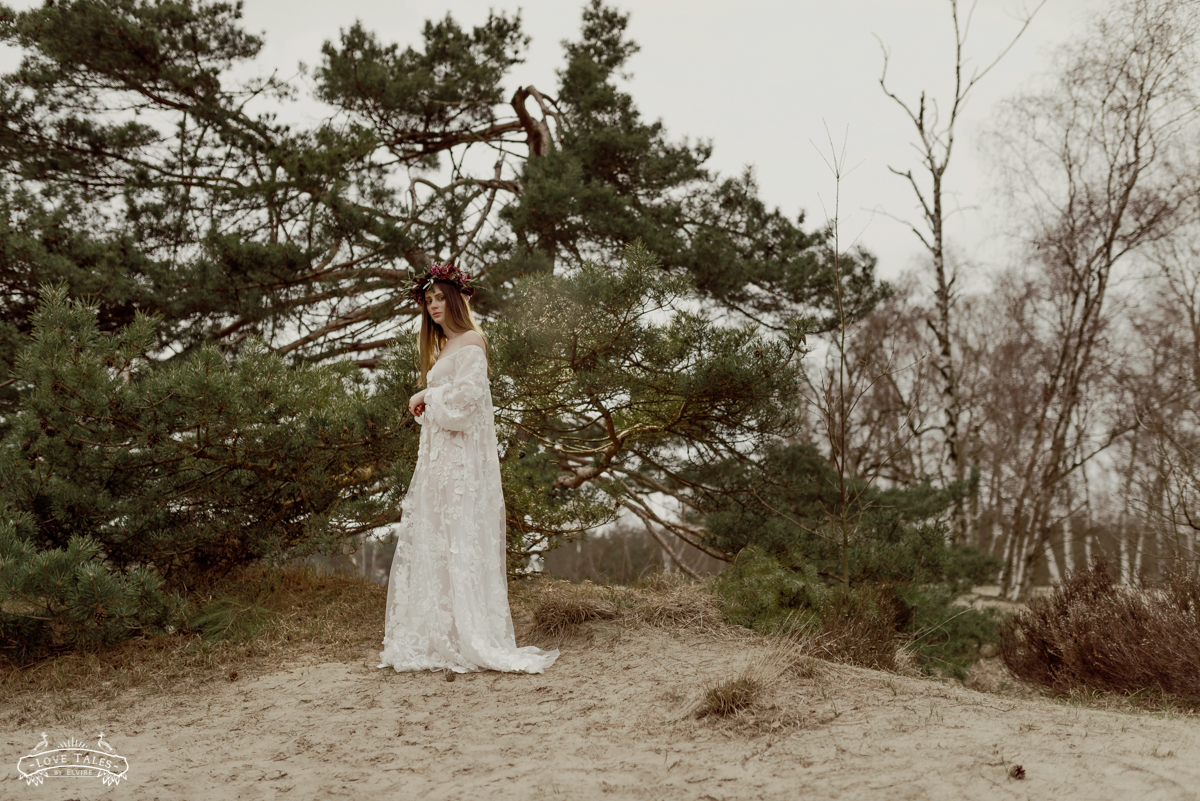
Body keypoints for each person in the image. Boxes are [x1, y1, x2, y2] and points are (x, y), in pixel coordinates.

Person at [377, 263, 559, 676]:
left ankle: (468, 637)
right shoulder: (445, 347)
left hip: (458, 464)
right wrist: (430, 399)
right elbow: (450, 403)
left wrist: (425, 393)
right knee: (440, 540)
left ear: (456, 299)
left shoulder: (472, 340)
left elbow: (465, 402)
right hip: (440, 461)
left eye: (440, 298)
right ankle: (444, 634)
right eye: (428, 301)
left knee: (459, 539)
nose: (434, 306)